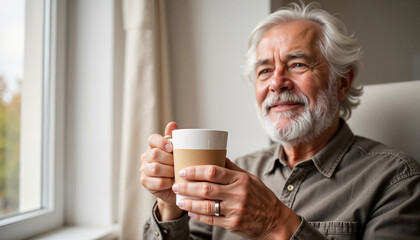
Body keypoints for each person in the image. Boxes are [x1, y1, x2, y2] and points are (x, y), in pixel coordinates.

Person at [140, 3, 420, 239]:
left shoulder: (395, 179)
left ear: (342, 83)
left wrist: (275, 223)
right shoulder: (233, 172)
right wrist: (170, 206)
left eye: (298, 64)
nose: (276, 83)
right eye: (264, 71)